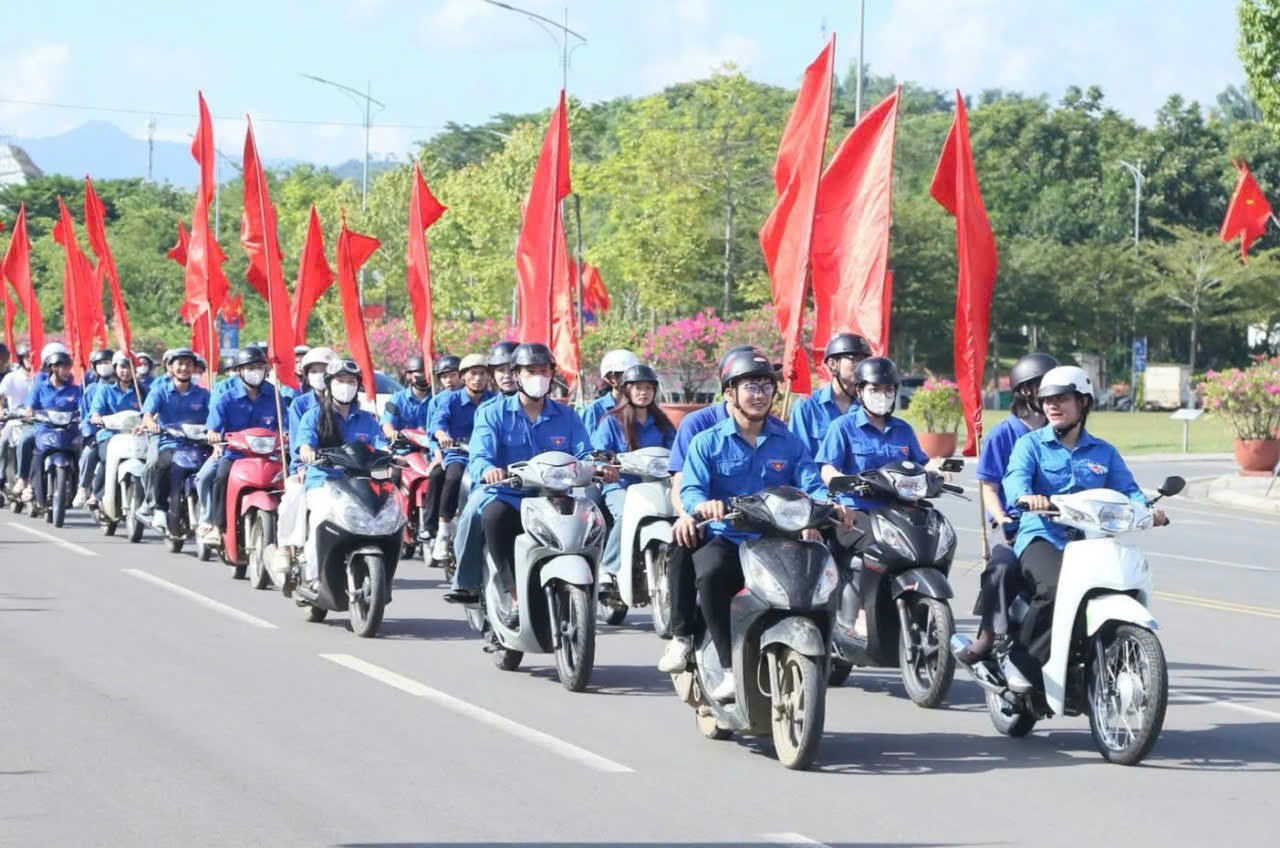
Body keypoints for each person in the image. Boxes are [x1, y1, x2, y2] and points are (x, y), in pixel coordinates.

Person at [680, 347, 841, 701]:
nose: (759, 394)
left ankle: (829, 653)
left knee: (824, 575)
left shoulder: (789, 442)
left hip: (779, 540)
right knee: (709, 572)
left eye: (766, 386)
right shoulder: (707, 442)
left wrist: (830, 506)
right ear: (730, 393)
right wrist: (702, 505)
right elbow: (691, 487)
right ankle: (725, 666)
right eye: (750, 387)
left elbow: (811, 484)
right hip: (732, 539)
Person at [1002, 365, 1166, 691]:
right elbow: (1015, 479)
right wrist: (1026, 497)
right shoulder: (1031, 445)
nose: (1052, 405)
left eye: (1062, 398)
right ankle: (1021, 660)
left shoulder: (1104, 452)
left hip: (1093, 542)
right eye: (1047, 399)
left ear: (1084, 403)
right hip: (1044, 535)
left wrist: (1149, 511)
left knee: (1119, 583)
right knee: (1052, 587)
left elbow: (1128, 491)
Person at [444, 343, 614, 623]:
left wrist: (599, 467)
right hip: (509, 495)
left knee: (593, 516)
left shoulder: (567, 416)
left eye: (544, 371)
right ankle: (511, 595)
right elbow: (480, 456)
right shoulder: (492, 412)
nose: (538, 377)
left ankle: (601, 579)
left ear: (553, 375)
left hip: (555, 497)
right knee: (491, 516)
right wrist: (488, 470)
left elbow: (585, 452)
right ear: (517, 375)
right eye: (531, 371)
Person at [959, 353, 1058, 672]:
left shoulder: (1063, 429)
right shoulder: (1004, 434)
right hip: (1017, 526)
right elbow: (989, 486)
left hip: (1062, 525)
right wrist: (1000, 517)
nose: (1050, 395)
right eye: (1041, 387)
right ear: (1023, 392)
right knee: (1000, 570)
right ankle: (987, 637)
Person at [287, 359, 388, 590]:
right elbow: (304, 442)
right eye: (340, 381)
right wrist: (307, 451)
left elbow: (380, 444)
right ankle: (313, 577)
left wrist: (392, 455)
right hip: (324, 481)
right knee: (322, 517)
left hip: (359, 483)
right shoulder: (313, 416)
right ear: (329, 384)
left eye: (351, 381)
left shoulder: (367, 418)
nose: (346, 386)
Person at [592, 363, 676, 583]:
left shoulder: (662, 423)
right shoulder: (612, 420)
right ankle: (608, 567)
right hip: (621, 486)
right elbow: (599, 452)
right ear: (626, 390)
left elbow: (677, 452)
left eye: (648, 388)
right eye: (637, 387)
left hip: (657, 486)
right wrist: (605, 465)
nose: (643, 392)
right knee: (625, 515)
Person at [197, 346, 280, 544]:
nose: (255, 372)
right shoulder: (226, 397)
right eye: (250, 368)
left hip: (268, 456)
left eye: (259, 367)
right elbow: (213, 427)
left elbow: (285, 425)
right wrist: (214, 435)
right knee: (219, 476)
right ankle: (216, 525)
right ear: (239, 371)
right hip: (234, 455)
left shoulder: (274, 396)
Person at [425, 353, 493, 561]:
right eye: (473, 373)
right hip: (460, 453)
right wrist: (443, 435)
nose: (478, 378)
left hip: (489, 455)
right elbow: (438, 424)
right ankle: (444, 530)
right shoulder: (450, 400)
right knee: (453, 477)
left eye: (482, 373)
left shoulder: (495, 401)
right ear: (463, 377)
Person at [140, 348, 211, 527]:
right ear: (170, 367)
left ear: (194, 368)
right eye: (180, 364)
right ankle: (160, 509)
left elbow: (215, 416)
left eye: (188, 364)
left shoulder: (204, 395)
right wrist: (151, 423)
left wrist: (215, 431)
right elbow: (147, 414)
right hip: (170, 442)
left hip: (198, 444)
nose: (184, 368)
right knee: (161, 463)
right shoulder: (160, 391)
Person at [788, 333, 871, 457]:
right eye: (855, 359)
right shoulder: (807, 406)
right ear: (832, 364)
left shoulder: (869, 406)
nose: (861, 366)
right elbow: (798, 457)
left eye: (864, 361)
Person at [23, 350, 83, 508]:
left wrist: (85, 417)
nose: (68, 371)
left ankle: (80, 489)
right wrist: (29, 411)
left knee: (80, 453)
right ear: (54, 368)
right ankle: (31, 485)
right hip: (45, 428)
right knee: (36, 451)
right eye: (64, 367)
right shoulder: (41, 386)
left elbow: (83, 408)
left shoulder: (75, 389)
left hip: (69, 430)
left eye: (69, 368)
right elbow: (30, 404)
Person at [85, 352, 143, 504]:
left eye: (130, 367)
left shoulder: (143, 391)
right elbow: (95, 411)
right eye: (122, 367)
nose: (126, 371)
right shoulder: (105, 390)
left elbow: (152, 411)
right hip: (109, 436)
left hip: (137, 436)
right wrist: (97, 417)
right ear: (115, 368)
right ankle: (95, 496)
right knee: (107, 459)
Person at [75, 348, 117, 508]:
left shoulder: (125, 387)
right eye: (100, 363)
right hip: (99, 435)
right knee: (89, 453)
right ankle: (84, 488)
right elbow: (86, 416)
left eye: (107, 362)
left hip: (123, 436)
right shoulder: (91, 390)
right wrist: (90, 435)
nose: (104, 366)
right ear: (94, 367)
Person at [286, 347, 337, 469]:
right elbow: (298, 442)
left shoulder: (344, 403)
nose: (319, 375)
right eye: (313, 371)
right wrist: (300, 468)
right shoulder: (299, 404)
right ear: (307, 376)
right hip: (311, 467)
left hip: (343, 466)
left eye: (324, 370)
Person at [381, 354, 440, 444]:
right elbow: (387, 424)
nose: (425, 376)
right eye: (421, 373)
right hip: (405, 448)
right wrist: (392, 433)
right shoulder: (397, 399)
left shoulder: (437, 399)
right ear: (409, 376)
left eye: (428, 373)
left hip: (433, 447)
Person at [582, 349, 641, 434]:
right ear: (612, 378)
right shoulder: (594, 410)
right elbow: (588, 444)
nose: (633, 379)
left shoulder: (643, 407)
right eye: (627, 375)